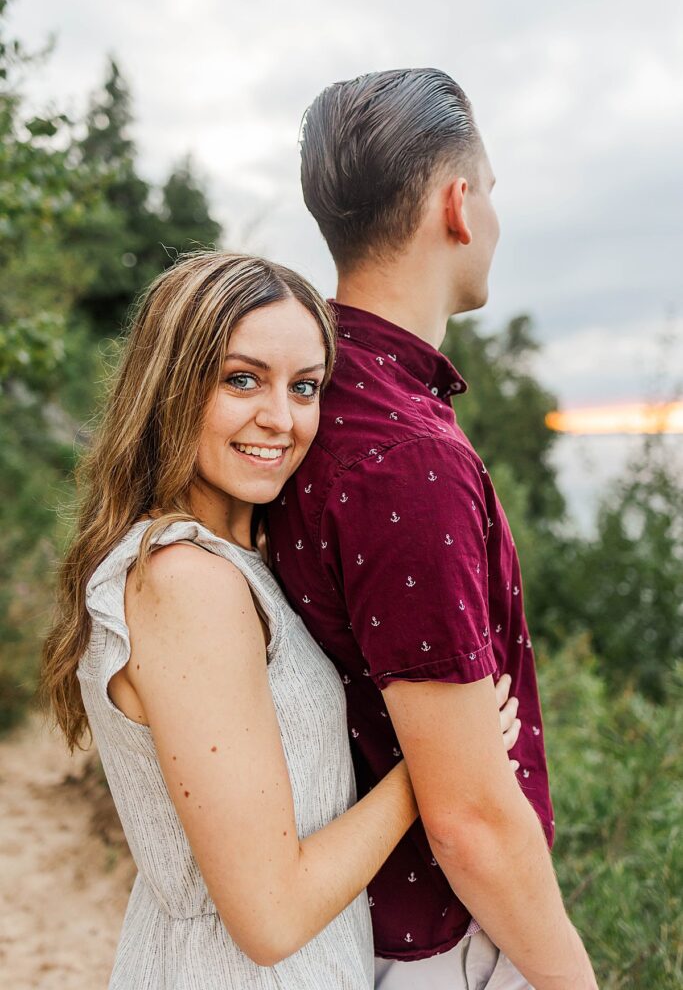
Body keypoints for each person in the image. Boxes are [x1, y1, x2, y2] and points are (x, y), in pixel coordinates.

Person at [41, 251, 521, 989]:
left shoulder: (232, 564)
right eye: (241, 379)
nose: (281, 418)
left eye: (304, 387)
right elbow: (268, 916)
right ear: (171, 385)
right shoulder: (185, 581)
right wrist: (440, 761)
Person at [266, 69, 599, 989]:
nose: (492, 216)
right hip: (433, 944)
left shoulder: (308, 400)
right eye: (489, 191)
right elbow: (468, 819)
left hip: (358, 925)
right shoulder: (403, 453)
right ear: (458, 205)